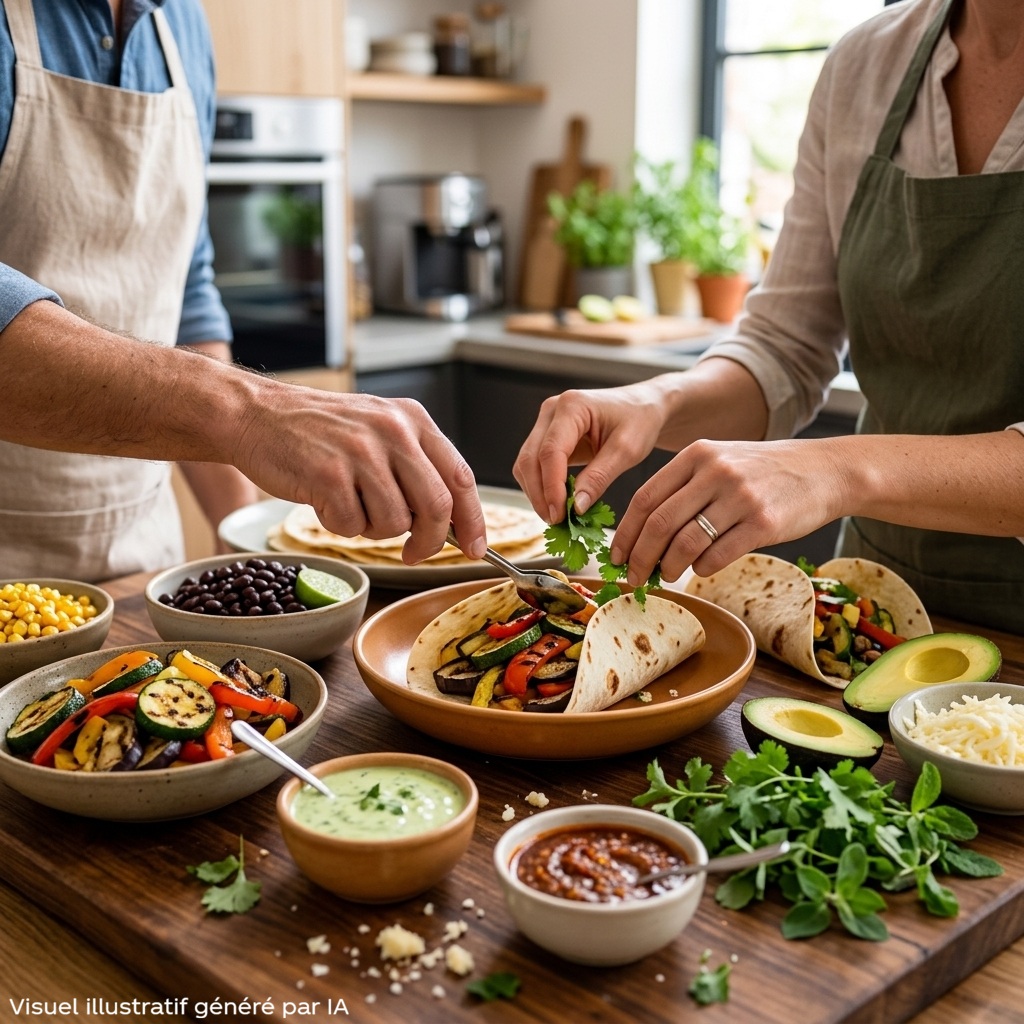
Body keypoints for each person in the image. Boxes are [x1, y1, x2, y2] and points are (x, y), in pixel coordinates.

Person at [514, 0, 1024, 634]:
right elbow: (784, 346)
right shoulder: (865, 64)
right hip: (872, 613)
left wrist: (835, 470)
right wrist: (659, 402)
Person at [0, 0, 485, 581]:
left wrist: (248, 557)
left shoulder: (179, 22)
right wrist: (248, 413)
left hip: (139, 561)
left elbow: (184, 286)